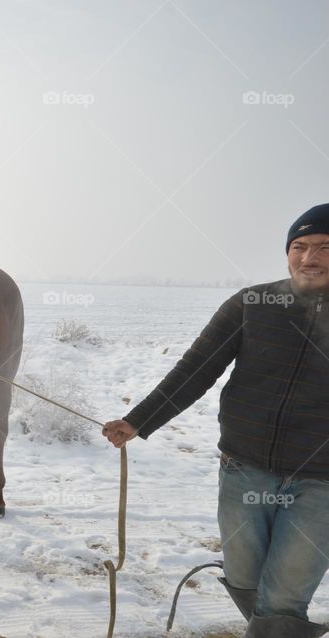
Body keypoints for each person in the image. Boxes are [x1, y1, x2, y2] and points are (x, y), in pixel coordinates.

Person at [103, 203, 329, 638]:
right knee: (245, 580)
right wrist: (138, 420)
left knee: (282, 599)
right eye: (299, 246)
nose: (309, 257)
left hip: (321, 483)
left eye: (323, 247)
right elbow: (196, 368)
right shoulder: (253, 304)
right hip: (244, 470)